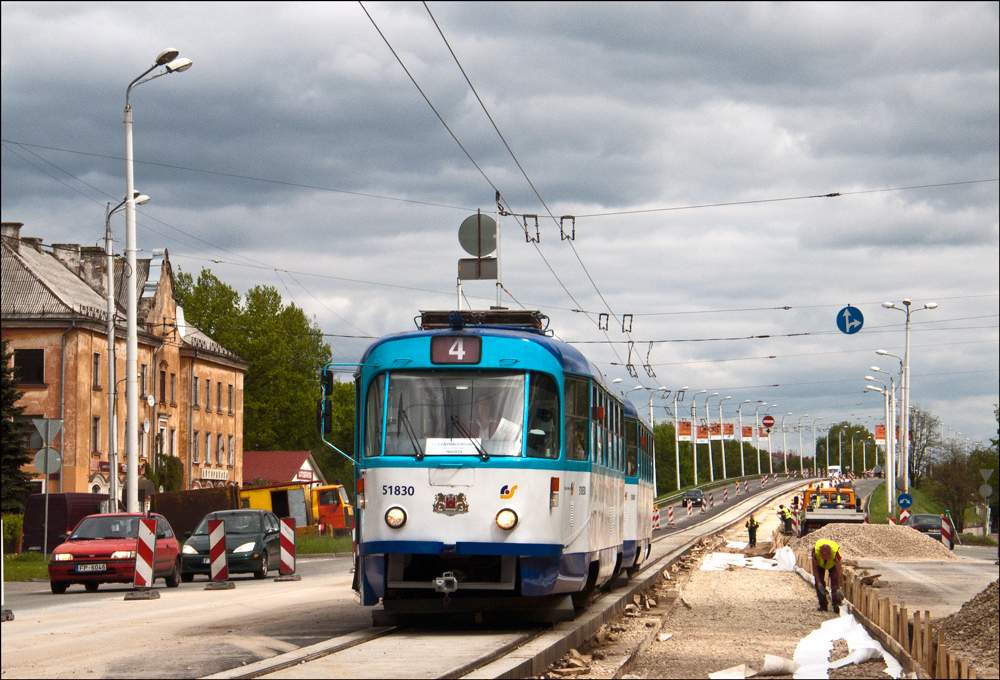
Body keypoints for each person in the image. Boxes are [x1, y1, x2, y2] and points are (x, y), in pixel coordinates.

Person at [812, 539, 845, 613]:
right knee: (819, 584)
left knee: (835, 580)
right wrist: (818, 583)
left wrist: (840, 587)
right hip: (820, 565)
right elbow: (814, 568)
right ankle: (823, 605)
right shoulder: (815, 552)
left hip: (832, 565)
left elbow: (839, 570)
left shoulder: (835, 553)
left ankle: (836, 604)